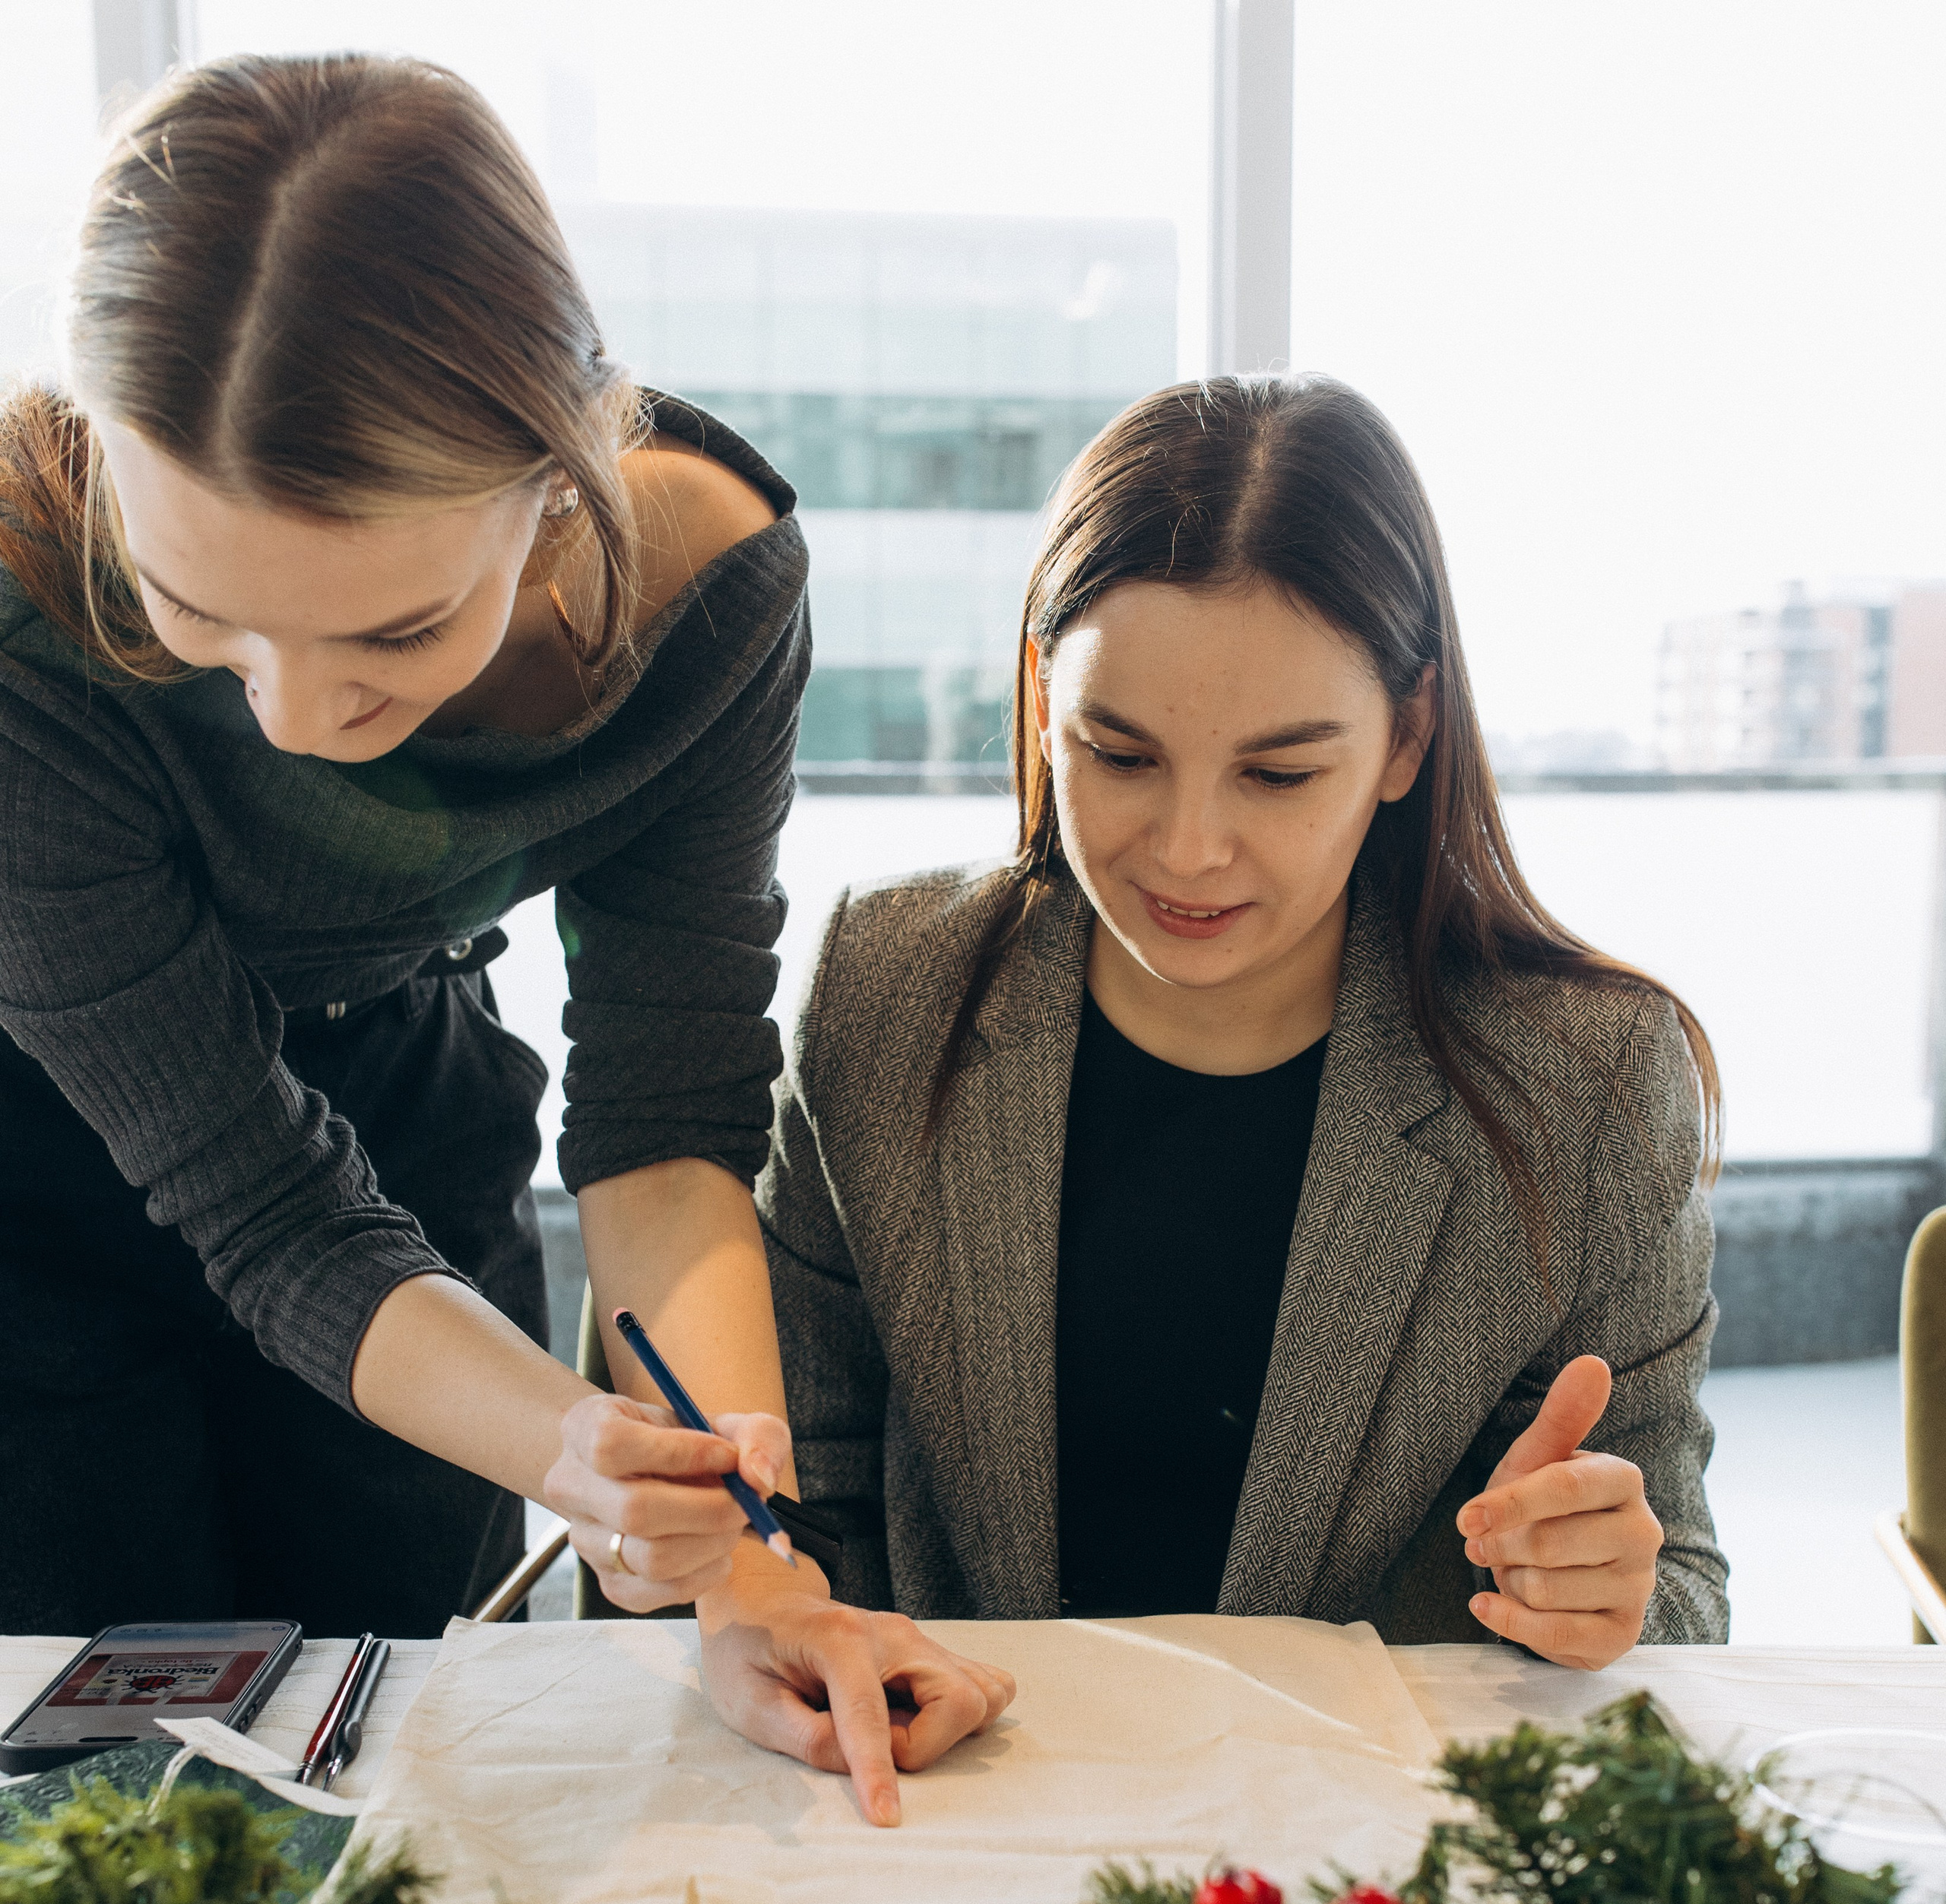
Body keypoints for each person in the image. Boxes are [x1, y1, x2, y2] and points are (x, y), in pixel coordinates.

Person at [0, 52, 1014, 1785]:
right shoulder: (24, 606)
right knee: (87, 1800)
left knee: (407, 1757)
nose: (294, 714)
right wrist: (569, 1444)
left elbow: (662, 1122)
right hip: (43, 1152)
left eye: (390, 636)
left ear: (559, 484)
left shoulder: (711, 603)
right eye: (198, 616)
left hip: (397, 1100)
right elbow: (247, 1197)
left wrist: (747, 1562)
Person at [759, 375, 1729, 1738]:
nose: (1189, 849)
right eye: (1119, 752)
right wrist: (809, 1631)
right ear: (1043, 701)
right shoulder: (886, 989)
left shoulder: (1594, 1086)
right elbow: (802, 1496)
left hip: (1370, 1860)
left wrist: (1609, 1590)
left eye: (1278, 775)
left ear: (1407, 737)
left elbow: (1678, 1584)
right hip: (951, 1803)